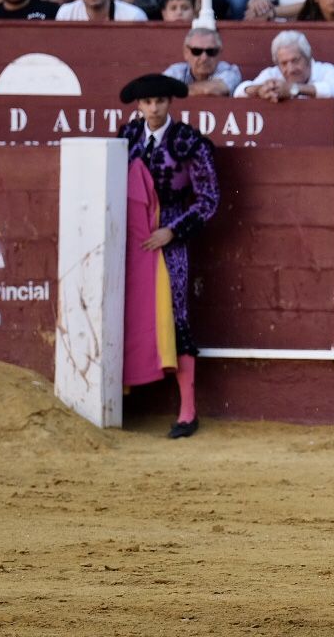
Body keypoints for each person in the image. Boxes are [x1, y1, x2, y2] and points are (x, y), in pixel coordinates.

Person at [117, 72, 219, 439]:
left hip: (168, 245)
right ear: (138, 106)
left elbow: (209, 200)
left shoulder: (190, 142)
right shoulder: (125, 138)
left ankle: (187, 411)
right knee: (123, 314)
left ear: (170, 103)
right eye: (147, 102)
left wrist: (172, 230)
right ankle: (120, 400)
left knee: (175, 318)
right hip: (128, 244)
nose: (154, 108)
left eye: (160, 101)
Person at [234, 30, 334, 101]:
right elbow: (239, 92)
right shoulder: (272, 73)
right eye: (284, 63)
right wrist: (259, 90)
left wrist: (294, 89)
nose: (290, 69)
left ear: (308, 57)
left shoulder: (327, 71)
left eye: (295, 60)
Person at [165, 27, 243, 96]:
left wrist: (175, 89)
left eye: (211, 51)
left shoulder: (230, 71)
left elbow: (210, 90)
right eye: (197, 51)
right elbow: (159, 89)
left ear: (219, 53)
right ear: (186, 53)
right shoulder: (176, 71)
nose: (204, 58)